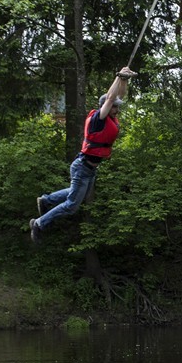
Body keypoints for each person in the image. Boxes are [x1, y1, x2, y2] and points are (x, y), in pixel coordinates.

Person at [30, 67, 137, 242]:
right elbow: (110, 98)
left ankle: (45, 200)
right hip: (83, 167)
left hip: (89, 169)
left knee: (75, 193)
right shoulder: (98, 119)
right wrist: (117, 76)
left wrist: (124, 80)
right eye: (114, 108)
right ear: (106, 107)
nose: (117, 110)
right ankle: (39, 224)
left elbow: (119, 96)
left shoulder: (110, 117)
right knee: (72, 206)